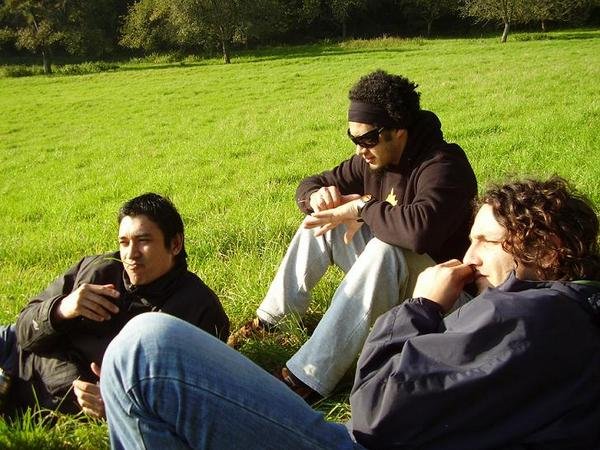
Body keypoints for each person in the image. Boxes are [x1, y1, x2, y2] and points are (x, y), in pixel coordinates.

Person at [100, 176, 600, 449]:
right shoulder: (570, 317)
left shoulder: (524, 318)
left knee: (143, 349)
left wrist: (423, 306)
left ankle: (300, 374)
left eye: (484, 241)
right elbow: (313, 185)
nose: (468, 257)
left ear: (546, 250)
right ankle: (271, 319)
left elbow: (374, 409)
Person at [227, 69, 477, 399]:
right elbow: (312, 183)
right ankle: (273, 320)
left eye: (367, 139)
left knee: (385, 248)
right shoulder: (372, 160)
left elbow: (418, 233)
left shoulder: (444, 166)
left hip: (450, 303)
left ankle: (308, 377)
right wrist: (316, 198)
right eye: (353, 138)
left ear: (398, 131)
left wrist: (361, 207)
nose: (360, 149)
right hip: (402, 283)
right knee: (322, 222)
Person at [0, 193, 229, 418]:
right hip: (12, 351)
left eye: (144, 241)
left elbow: (192, 398)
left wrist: (118, 403)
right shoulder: (97, 270)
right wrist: (61, 309)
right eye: (124, 242)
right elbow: (23, 330)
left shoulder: (197, 309)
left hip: (37, 398)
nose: (131, 254)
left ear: (175, 244)